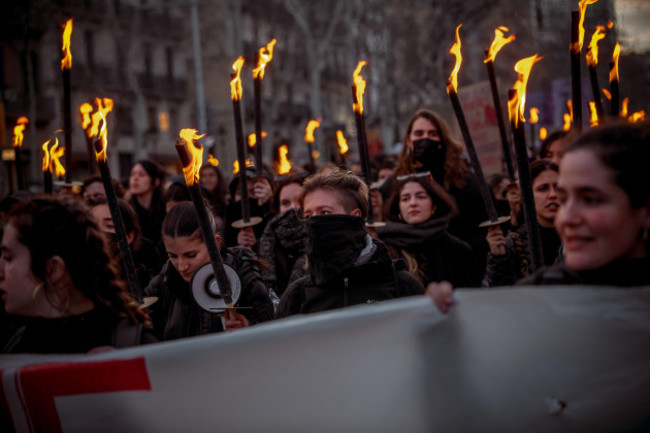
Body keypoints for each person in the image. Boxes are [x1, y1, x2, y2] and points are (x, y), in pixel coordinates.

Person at [0, 196, 156, 353]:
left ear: (53, 269)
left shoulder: (129, 343)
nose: (1, 271)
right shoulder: (15, 341)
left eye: (8, 258)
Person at [276, 170, 424, 318]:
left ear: (354, 217)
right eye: (308, 216)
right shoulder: (298, 295)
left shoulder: (401, 285)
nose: (315, 223)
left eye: (325, 213)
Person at [519, 121, 650, 286]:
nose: (565, 218)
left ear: (645, 210)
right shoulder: (542, 293)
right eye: (564, 199)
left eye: (590, 200)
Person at [144, 202, 273, 341]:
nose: (181, 266)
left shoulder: (242, 273)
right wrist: (144, 330)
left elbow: (271, 325)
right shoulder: (163, 284)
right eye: (173, 256)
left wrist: (247, 326)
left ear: (215, 243)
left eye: (191, 255)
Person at [383, 109, 489, 276]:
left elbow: (481, 230)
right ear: (409, 141)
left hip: (458, 268)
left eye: (432, 134)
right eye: (419, 133)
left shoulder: (465, 180)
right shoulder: (395, 182)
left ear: (442, 140)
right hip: (411, 270)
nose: (425, 139)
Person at [377, 172, 479, 290]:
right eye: (405, 199)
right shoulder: (385, 249)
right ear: (398, 207)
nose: (413, 203)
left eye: (421, 197)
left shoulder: (457, 249)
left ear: (434, 205)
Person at [485, 160, 562, 286]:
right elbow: (503, 293)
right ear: (528, 193)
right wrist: (499, 259)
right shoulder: (516, 243)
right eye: (543, 189)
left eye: (558, 187)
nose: (552, 195)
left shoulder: (578, 234)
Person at [91, 198, 162, 288]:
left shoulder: (144, 282)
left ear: (129, 237)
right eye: (93, 224)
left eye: (109, 225)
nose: (98, 231)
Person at [259, 172, 309, 299]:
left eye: (299, 201)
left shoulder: (320, 240)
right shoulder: (268, 241)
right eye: (286, 203)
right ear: (278, 209)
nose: (293, 208)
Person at [128, 159, 167, 247]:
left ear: (156, 181)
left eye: (141, 175)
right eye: (132, 174)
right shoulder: (127, 210)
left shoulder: (165, 209)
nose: (135, 178)